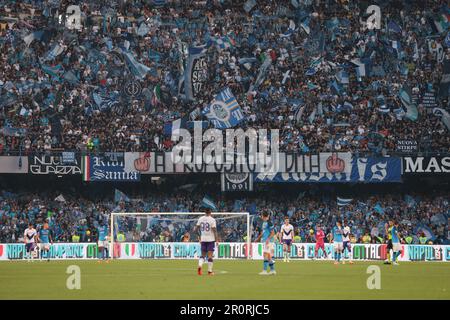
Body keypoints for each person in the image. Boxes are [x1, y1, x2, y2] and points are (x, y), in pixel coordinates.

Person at [194, 208, 219, 276]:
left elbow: (195, 230)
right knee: (210, 256)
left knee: (203, 255)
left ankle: (200, 266)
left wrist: (199, 237)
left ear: (205, 212)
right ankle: (209, 272)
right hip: (210, 240)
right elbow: (214, 231)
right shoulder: (212, 220)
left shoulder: (200, 218)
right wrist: (217, 240)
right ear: (210, 212)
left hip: (203, 239)